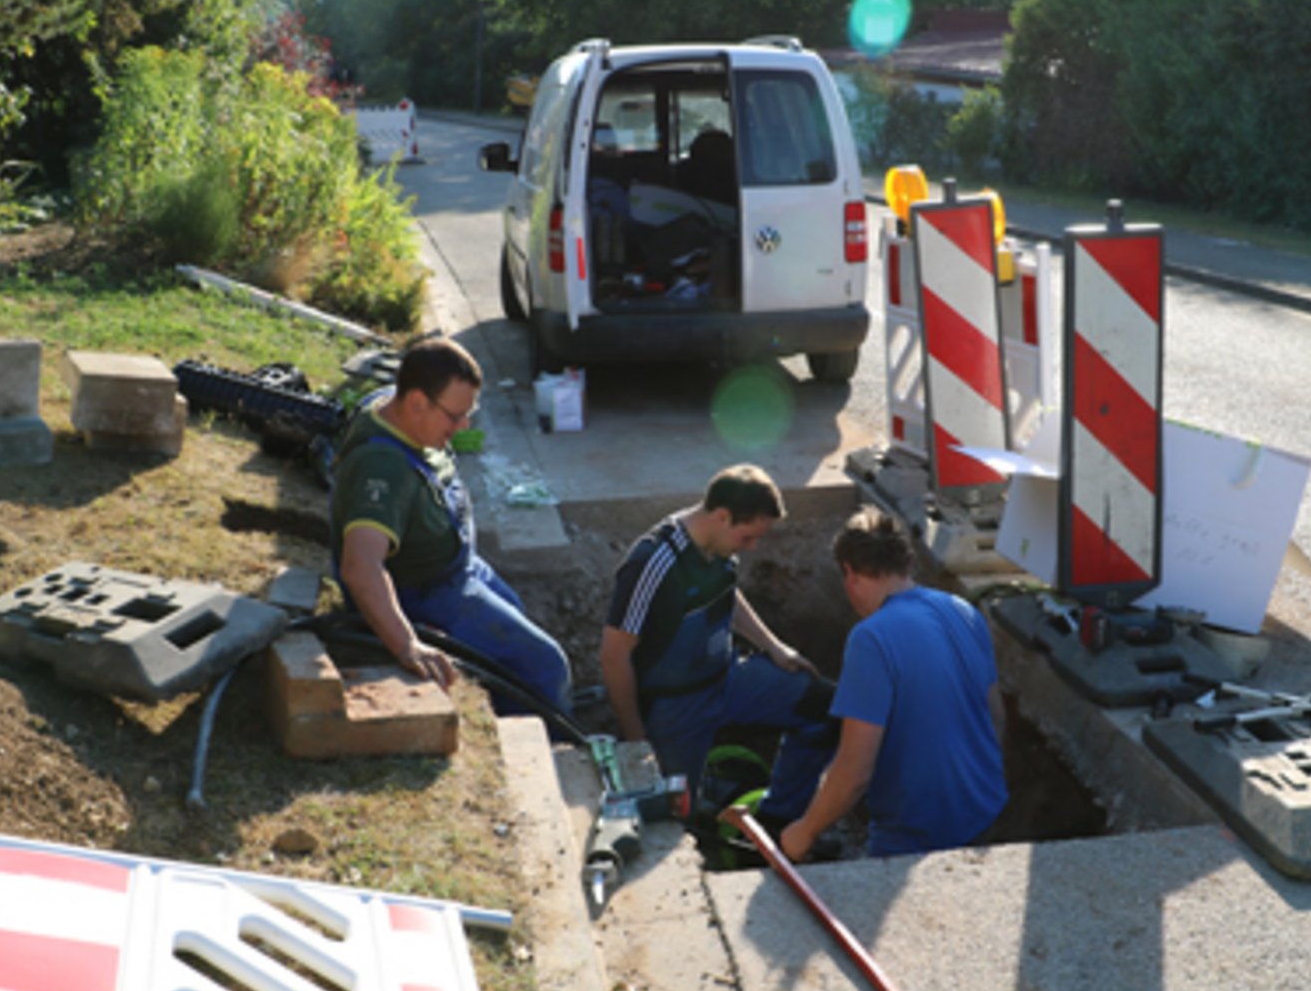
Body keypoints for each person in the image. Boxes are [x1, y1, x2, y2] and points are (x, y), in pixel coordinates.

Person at [330, 337, 572, 714]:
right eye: (454, 416)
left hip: (462, 571)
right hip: (430, 594)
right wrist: (406, 643)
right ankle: (556, 754)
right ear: (415, 402)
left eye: (468, 414)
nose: (462, 427)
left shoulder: (399, 412)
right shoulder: (383, 467)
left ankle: (512, 711)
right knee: (544, 666)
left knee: (517, 636)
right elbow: (360, 566)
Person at [600, 464, 835, 827]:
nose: (753, 547)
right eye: (747, 538)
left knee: (826, 708)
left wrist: (774, 647)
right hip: (674, 711)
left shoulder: (717, 547)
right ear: (722, 517)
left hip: (726, 680)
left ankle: (778, 821)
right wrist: (636, 741)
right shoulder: (653, 564)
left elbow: (727, 594)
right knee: (677, 816)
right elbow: (614, 656)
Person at [781, 506, 1008, 861]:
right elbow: (995, 717)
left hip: (918, 833)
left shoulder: (871, 638)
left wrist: (804, 830)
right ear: (905, 564)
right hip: (983, 811)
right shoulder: (963, 610)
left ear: (850, 573)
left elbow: (855, 771)